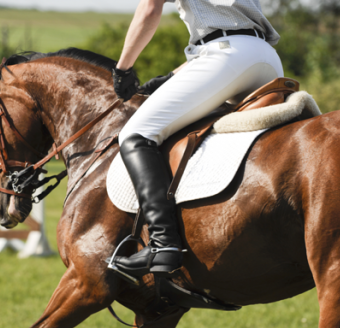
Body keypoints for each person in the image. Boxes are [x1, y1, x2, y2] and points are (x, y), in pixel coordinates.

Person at [111, 0, 284, 278]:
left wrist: (123, 68)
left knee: (136, 134)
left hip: (226, 57)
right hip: (265, 57)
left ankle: (162, 242)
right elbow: (227, 29)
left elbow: (150, 7)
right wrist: (169, 77)